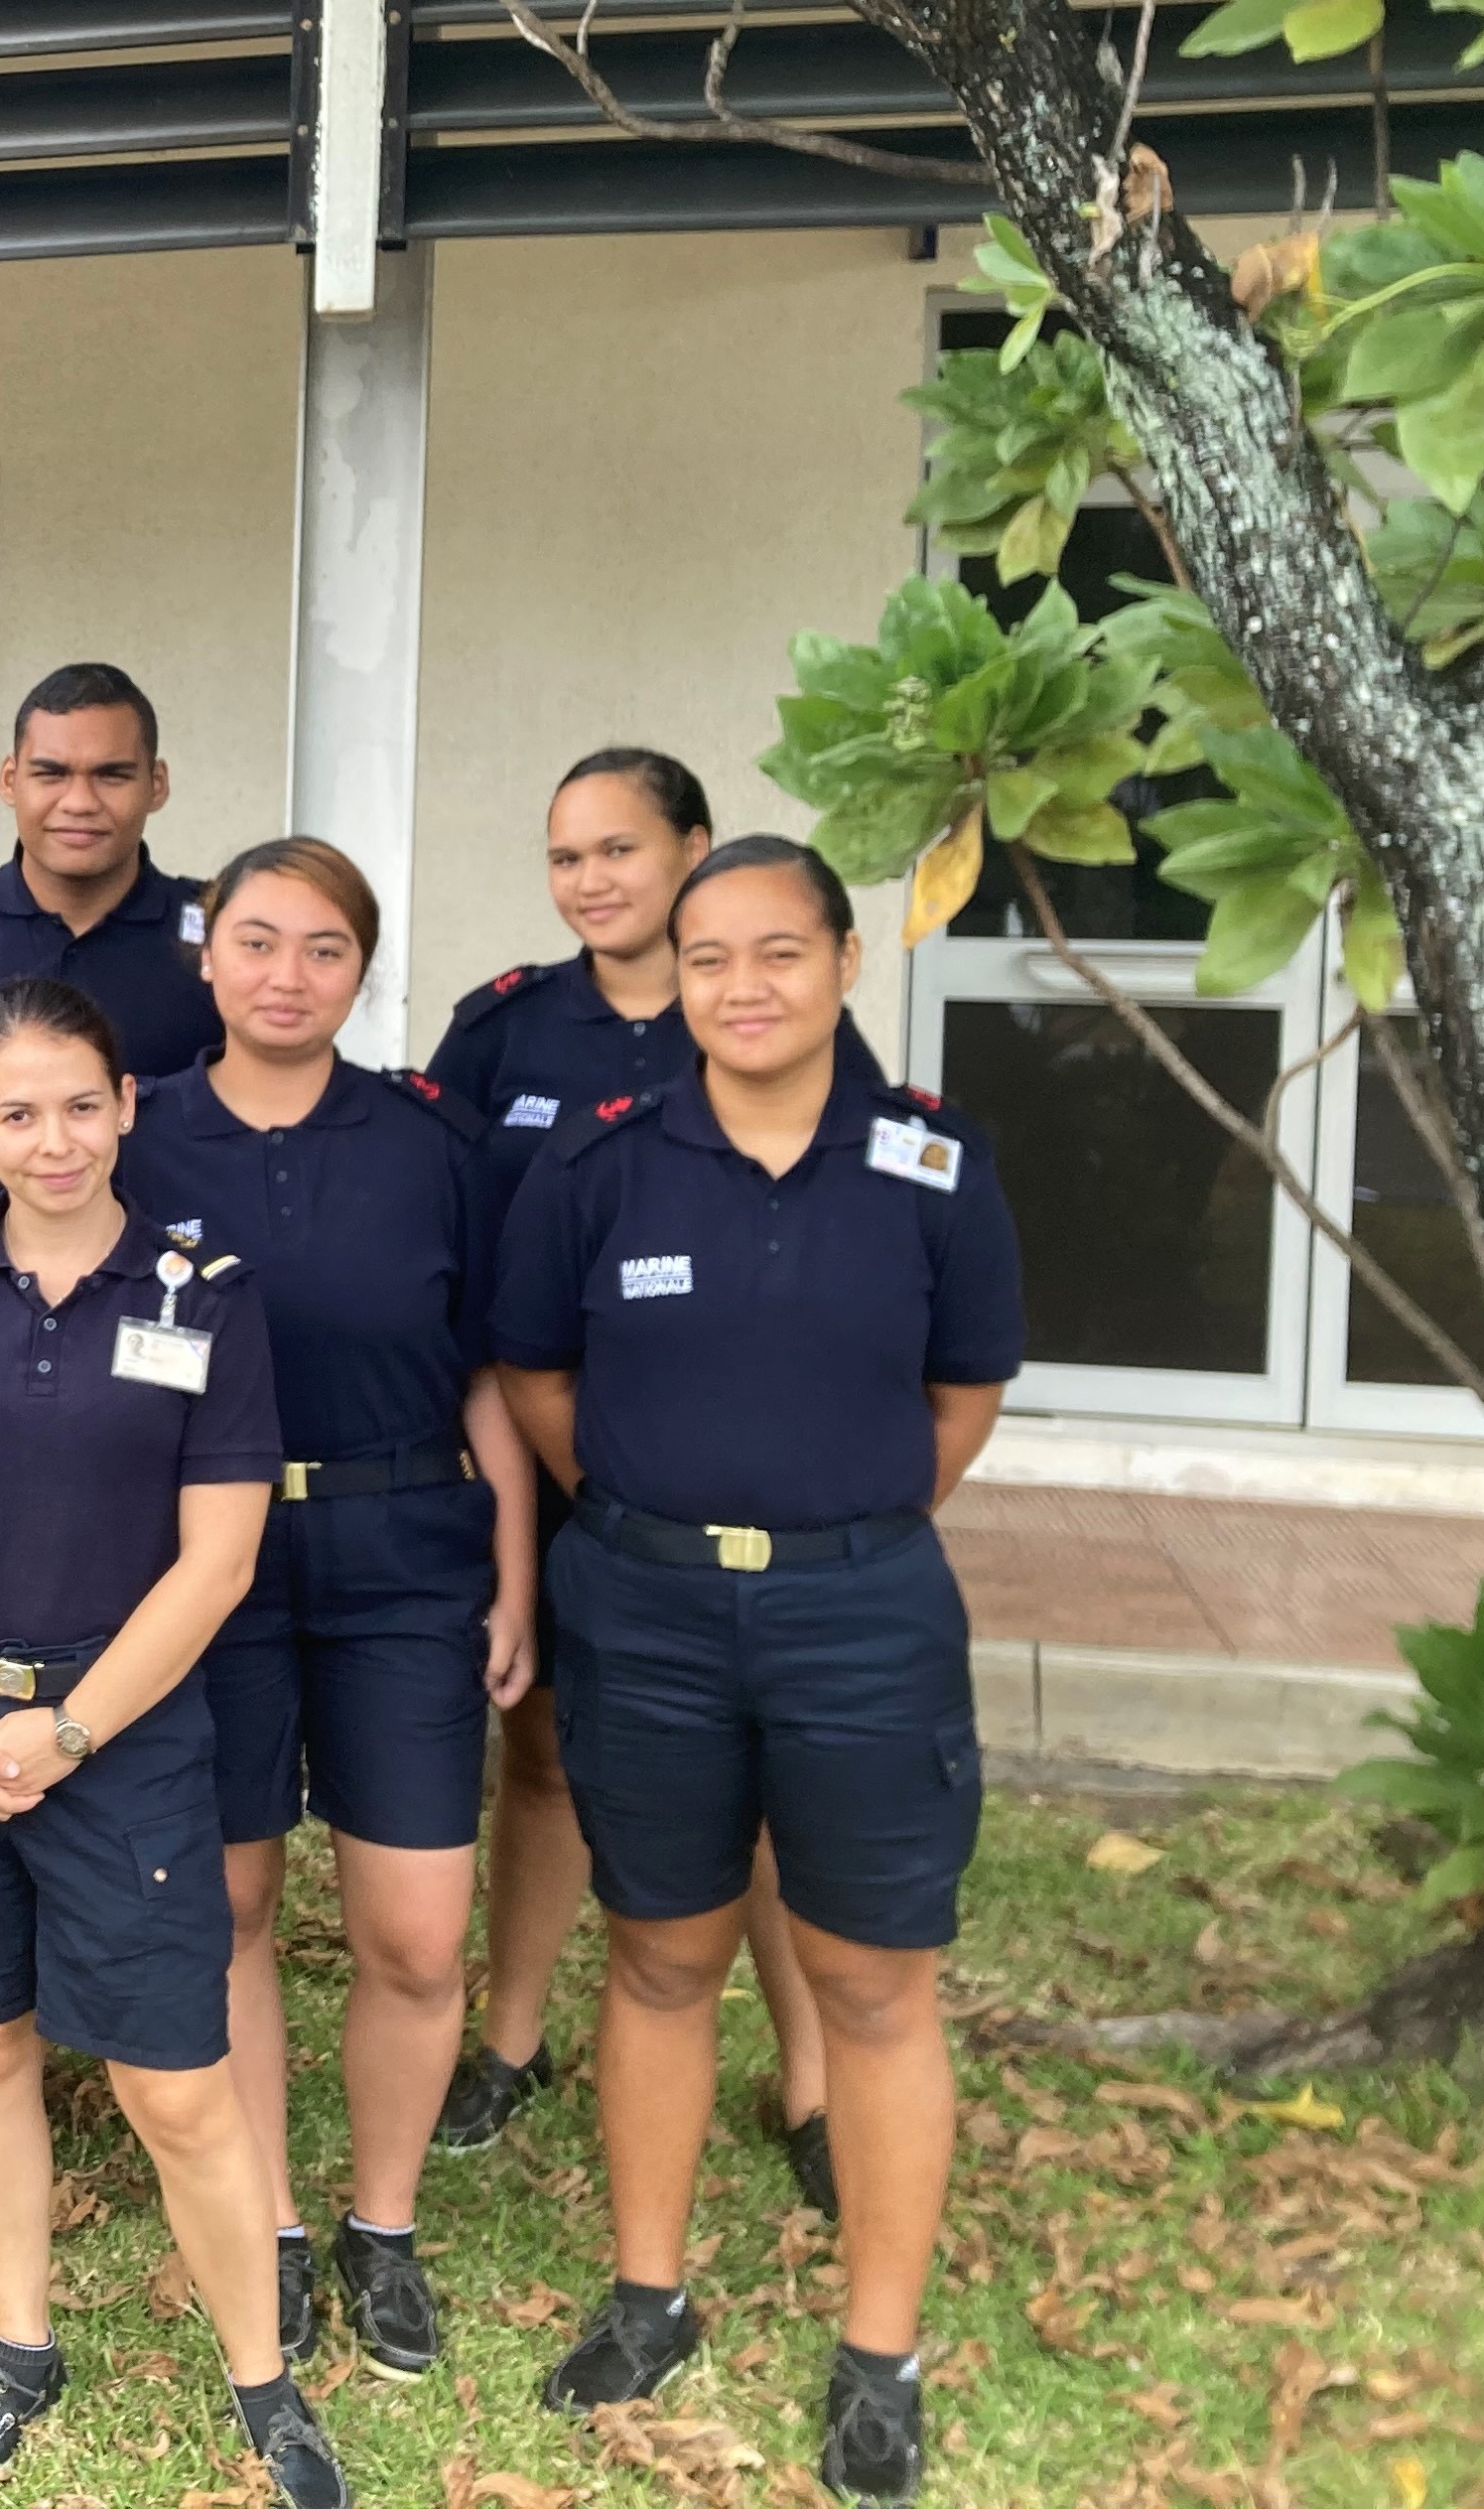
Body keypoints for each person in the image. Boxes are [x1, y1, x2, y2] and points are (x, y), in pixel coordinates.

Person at [488, 836, 1019, 2509]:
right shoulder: (602, 1165)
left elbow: (958, 1398)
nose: (740, 986)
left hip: (858, 1613)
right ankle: (646, 2298)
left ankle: (879, 2352)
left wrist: (817, 1533)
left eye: (777, 953)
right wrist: (669, 1517)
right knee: (655, 1956)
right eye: (707, 956)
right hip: (640, 1605)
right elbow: (538, 1377)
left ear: (845, 963)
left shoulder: (933, 1165)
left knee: (870, 1983)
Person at [0, 977, 346, 2504]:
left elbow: (218, 1560)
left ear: (126, 1107)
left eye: (79, 1103)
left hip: (112, 1738)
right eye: (15, 1111)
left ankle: (265, 2381)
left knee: (174, 2078)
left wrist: (60, 1731)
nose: (50, 1138)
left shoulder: (204, 1292)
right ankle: (16, 2344)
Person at [117, 839, 531, 2384]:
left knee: (415, 1930)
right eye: (255, 941)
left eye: (322, 948)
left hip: (402, 1557)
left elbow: (484, 1372)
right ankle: (275, 2223)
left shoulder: (434, 1141)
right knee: (224, 1906)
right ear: (206, 957)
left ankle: (383, 2221)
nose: (285, 974)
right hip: (202, 1569)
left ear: (361, 969)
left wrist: (515, 1581)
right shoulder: (138, 1136)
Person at [422, 750, 850, 2215]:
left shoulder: (748, 1017)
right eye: (566, 857)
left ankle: (809, 2079)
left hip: (732, 1462)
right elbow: (466, 1260)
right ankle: (512, 2032)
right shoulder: (502, 1032)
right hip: (555, 1465)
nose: (593, 880)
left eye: (620, 848)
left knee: (767, 1785)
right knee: (535, 1750)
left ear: (693, 849)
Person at [0, 663, 224, 1086]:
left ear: (156, 784)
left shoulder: (223, 944)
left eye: (111, 775)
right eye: (51, 774)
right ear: (9, 781)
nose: (79, 802)